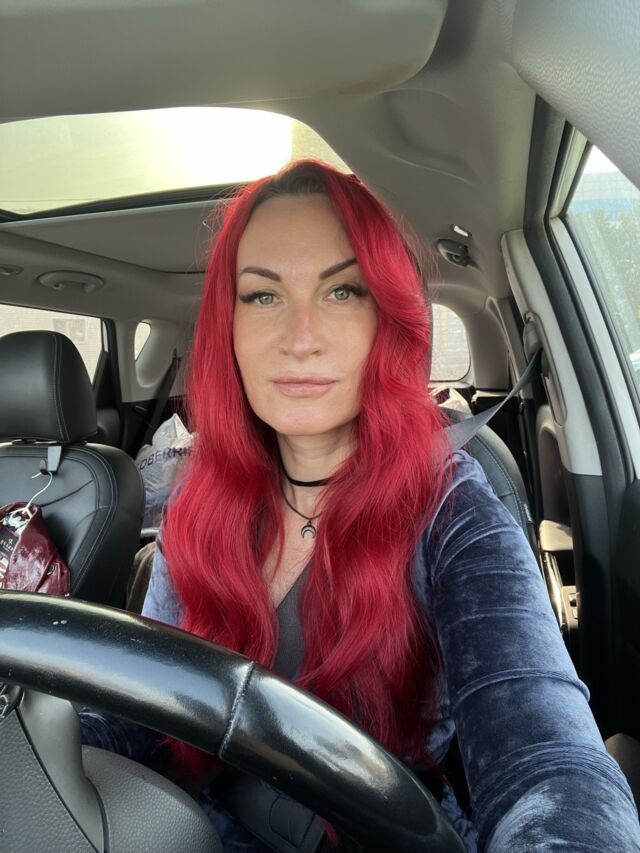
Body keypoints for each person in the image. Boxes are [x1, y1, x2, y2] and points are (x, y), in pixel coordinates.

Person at [81, 159, 640, 851]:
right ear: (228, 329)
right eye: (263, 296)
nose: (300, 337)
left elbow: (546, 760)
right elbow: (139, 706)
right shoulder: (199, 501)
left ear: (388, 322)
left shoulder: (452, 510)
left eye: (342, 291)